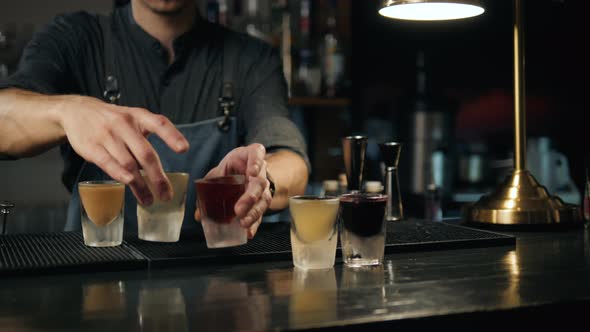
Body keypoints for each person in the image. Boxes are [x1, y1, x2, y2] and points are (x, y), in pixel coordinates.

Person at [0, 0, 309, 238]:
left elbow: (291, 160)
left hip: (213, 287)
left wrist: (261, 180)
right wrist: (66, 110)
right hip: (94, 275)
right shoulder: (75, 39)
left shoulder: (251, 58)